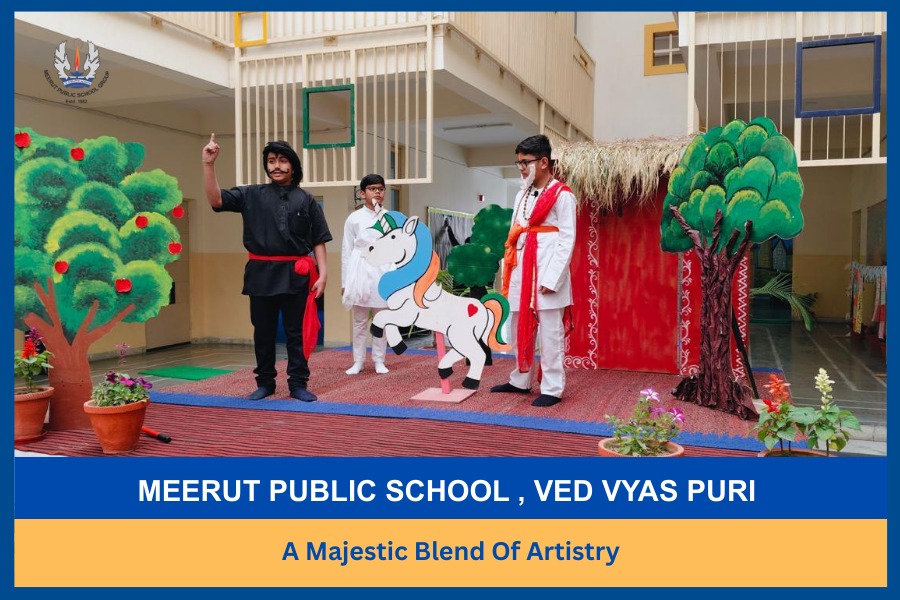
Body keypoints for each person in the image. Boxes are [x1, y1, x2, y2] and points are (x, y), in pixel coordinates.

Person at [203, 134, 332, 402]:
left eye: (282, 161)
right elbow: (216, 200)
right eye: (271, 161)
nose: (276, 166)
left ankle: (298, 384)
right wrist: (209, 164)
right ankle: (265, 383)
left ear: (293, 166)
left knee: (296, 334)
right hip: (260, 273)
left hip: (296, 274)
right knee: (263, 333)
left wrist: (323, 275)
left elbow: (319, 239)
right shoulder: (251, 194)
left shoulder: (306, 199)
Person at [490, 134, 576, 407]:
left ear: (543, 162)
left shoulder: (563, 195)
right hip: (521, 271)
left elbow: (567, 239)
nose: (521, 168)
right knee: (518, 326)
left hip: (547, 272)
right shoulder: (521, 194)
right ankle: (520, 380)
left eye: (525, 162)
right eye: (518, 163)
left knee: (550, 332)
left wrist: (553, 278)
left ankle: (552, 388)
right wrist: (509, 269)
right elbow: (516, 233)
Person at [341, 174, 391, 375]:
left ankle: (379, 360)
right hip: (360, 270)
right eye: (372, 189)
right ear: (363, 193)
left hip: (383, 269)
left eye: (381, 189)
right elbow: (346, 251)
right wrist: (345, 282)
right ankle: (358, 361)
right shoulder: (354, 218)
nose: (377, 192)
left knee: (381, 319)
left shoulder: (390, 218)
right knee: (360, 321)